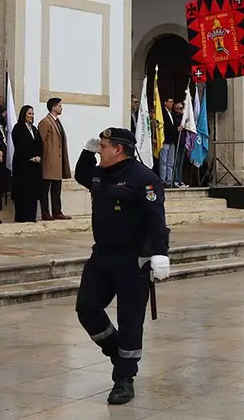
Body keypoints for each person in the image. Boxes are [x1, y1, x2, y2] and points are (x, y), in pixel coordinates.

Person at [73, 127, 170, 406]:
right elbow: (81, 175)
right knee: (87, 308)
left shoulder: (144, 179)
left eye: (103, 146)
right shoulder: (101, 174)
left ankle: (124, 379)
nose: (100, 150)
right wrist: (87, 151)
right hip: (102, 255)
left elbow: (155, 218)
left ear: (118, 149)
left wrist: (160, 253)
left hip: (133, 260)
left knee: (130, 320)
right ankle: (116, 351)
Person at [39, 97, 72, 221]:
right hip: (49, 160)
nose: (61, 108)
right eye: (59, 106)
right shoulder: (45, 122)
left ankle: (57, 211)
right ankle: (45, 212)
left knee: (56, 189)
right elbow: (41, 142)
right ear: (53, 107)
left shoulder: (57, 121)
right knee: (45, 189)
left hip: (58, 160)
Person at [12, 105, 44, 222]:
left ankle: (31, 215)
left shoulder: (34, 129)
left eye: (32, 114)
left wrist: (39, 156)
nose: (31, 116)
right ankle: (21, 216)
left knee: (32, 190)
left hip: (34, 165)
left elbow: (40, 144)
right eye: (29, 114)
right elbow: (20, 145)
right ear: (24, 114)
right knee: (22, 191)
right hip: (23, 164)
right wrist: (30, 157)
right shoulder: (18, 128)